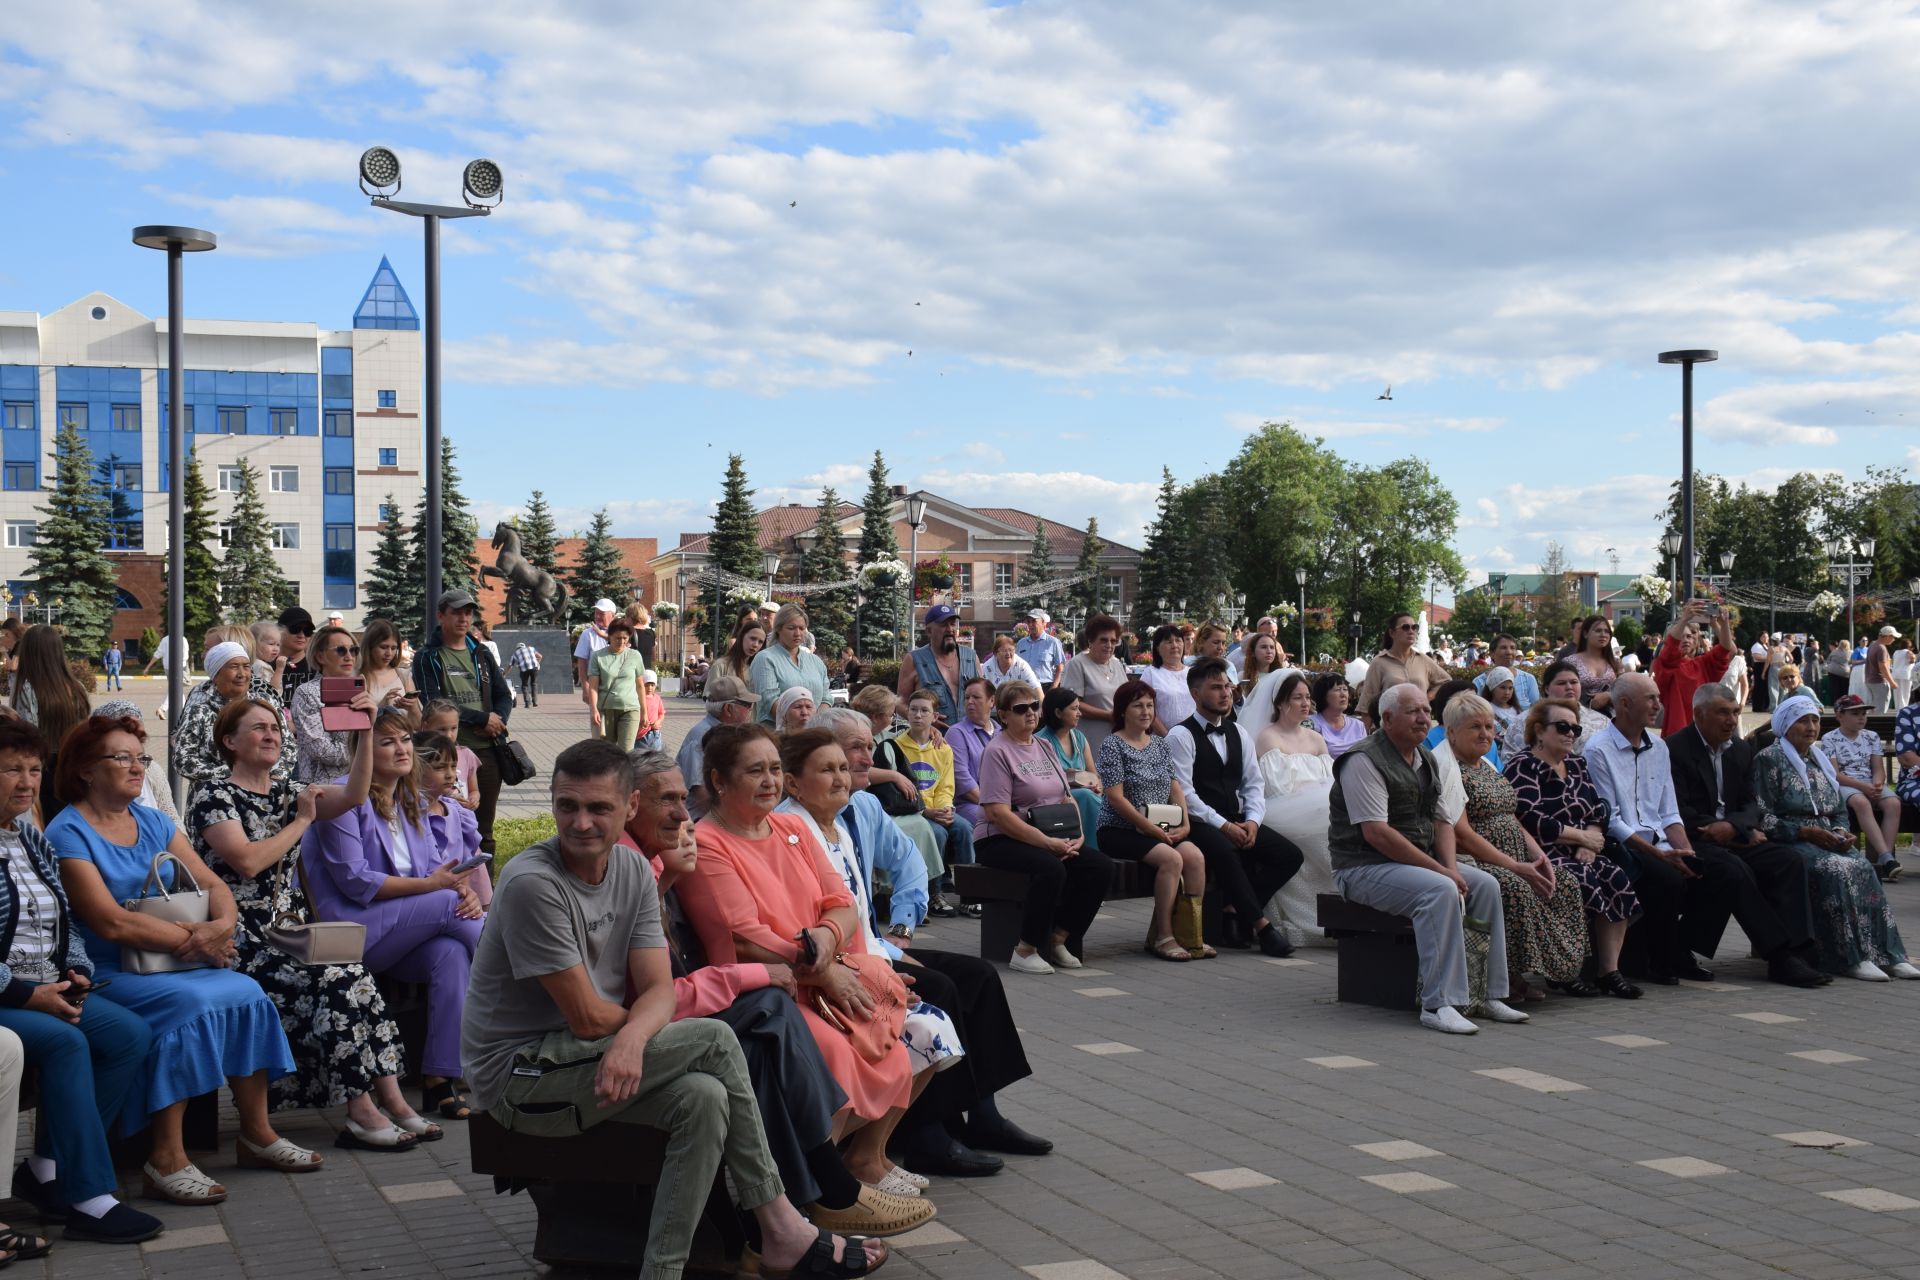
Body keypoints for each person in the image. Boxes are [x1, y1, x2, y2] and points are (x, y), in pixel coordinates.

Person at [462, 739, 894, 1280]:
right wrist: (631, 1035)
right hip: (521, 1074)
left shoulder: (633, 869)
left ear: (627, 809)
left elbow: (659, 991)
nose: (580, 822)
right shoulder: (533, 884)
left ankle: (664, 1270)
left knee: (705, 1097)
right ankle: (782, 1225)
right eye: (566, 806)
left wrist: (632, 1037)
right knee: (717, 1040)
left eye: (599, 808)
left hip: (587, 1058)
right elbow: (589, 1018)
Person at [625, 754, 932, 1237]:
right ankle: (815, 1199)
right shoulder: (671, 855)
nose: (682, 815)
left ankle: (807, 1202)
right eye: (755, 770)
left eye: (683, 800)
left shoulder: (782, 830)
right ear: (720, 783)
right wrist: (798, 972)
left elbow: (843, 905)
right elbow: (735, 945)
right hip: (671, 1022)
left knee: (930, 1006)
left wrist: (827, 954)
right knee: (777, 1031)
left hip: (790, 978)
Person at [49, 714, 306, 1206]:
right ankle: (165, 1157)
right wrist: (195, 940)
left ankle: (257, 1134)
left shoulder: (151, 819)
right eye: (120, 757)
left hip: (174, 957)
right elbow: (109, 923)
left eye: (140, 758)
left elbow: (211, 884)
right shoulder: (69, 832)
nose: (136, 767)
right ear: (85, 768)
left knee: (246, 991)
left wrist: (223, 925)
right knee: (188, 1006)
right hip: (113, 970)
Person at [186, 694, 440, 1147]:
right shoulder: (212, 794)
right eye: (258, 728)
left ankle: (394, 1101)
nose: (271, 735)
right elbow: (247, 862)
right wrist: (302, 821)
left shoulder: (287, 788)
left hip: (291, 933)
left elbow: (355, 795)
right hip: (239, 937)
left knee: (355, 971)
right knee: (337, 977)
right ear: (229, 741)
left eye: (276, 728)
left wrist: (363, 733)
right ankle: (360, 1111)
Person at [808, 710, 1052, 1172]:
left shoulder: (863, 807)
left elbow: (910, 865)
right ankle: (926, 1133)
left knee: (979, 975)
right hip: (844, 957)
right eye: (855, 748)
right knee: (938, 986)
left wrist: (901, 924)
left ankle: (983, 1114)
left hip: (877, 944)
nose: (869, 756)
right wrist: (875, 955)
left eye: (868, 744)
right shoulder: (796, 822)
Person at [0, 719, 163, 1245]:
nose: (26, 782)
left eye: (33, 769)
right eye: (10, 770)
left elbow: (63, 917)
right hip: (10, 995)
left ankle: (46, 1168)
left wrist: (77, 972)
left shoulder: (26, 833)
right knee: (67, 1041)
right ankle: (90, 1198)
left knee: (127, 1036)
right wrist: (29, 995)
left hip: (47, 985)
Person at [307, 704, 485, 1121]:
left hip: (404, 931)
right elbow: (356, 881)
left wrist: (464, 892)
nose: (402, 749)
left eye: (406, 738)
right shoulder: (341, 797)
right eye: (387, 742)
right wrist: (438, 890)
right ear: (364, 750)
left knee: (451, 955)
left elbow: (434, 869)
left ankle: (439, 1076)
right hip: (350, 931)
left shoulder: (413, 801)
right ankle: (519, 995)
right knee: (449, 907)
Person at [1328, 683, 1528, 1034]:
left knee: (1486, 885)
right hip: (1363, 867)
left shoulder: (1426, 757)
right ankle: (1439, 1004)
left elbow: (1442, 820)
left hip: (1412, 865)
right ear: (1387, 719)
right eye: (1413, 711)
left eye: (1425, 710)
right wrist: (1441, 872)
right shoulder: (1363, 760)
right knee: (1440, 890)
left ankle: (1487, 994)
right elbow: (1376, 833)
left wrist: (1450, 867)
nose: (1424, 718)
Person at [1584, 673, 1744, 985]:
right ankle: (1658, 959)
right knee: (1667, 878)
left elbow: (1669, 812)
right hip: (1624, 845)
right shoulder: (1598, 750)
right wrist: (1660, 855)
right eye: (1651, 699)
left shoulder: (1658, 747)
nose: (1659, 704)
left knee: (1724, 872)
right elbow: (1611, 820)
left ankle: (1679, 948)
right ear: (1626, 704)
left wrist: (1688, 853)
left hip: (1660, 841)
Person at [1669, 683, 1831, 987]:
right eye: (1722, 713)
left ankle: (1800, 949)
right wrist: (1730, 832)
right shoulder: (1675, 749)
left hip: (1736, 833)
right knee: (1732, 871)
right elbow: (1678, 809)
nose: (1731, 720)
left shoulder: (1741, 749)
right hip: (1693, 838)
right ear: (1699, 715)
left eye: (1735, 712)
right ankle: (1780, 956)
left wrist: (1735, 829)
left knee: (1786, 860)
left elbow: (1751, 803)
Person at [1436, 693, 1590, 1002]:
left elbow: (1513, 818)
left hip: (1515, 853)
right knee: (1514, 887)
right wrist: (1514, 865)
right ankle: (1508, 977)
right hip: (1477, 859)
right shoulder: (1449, 770)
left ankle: (1562, 970)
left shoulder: (1487, 766)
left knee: (1565, 882)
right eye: (1474, 727)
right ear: (1451, 732)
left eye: (1490, 726)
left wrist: (1538, 856)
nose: (1485, 734)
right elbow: (1462, 834)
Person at [1755, 697, 1920, 981]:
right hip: (1793, 839)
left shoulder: (1818, 760)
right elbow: (1763, 816)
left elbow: (1838, 809)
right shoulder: (1769, 759)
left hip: (1827, 838)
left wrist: (1842, 831)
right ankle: (1849, 957)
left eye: (1815, 720)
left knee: (1864, 868)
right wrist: (1805, 832)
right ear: (1786, 725)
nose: (1811, 727)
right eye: (1803, 721)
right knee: (1837, 871)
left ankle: (1889, 954)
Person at [1503, 699, 1645, 997]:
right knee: (1582, 882)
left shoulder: (1577, 764)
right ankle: (1564, 970)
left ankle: (1609, 971)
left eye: (1576, 728)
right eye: (1563, 727)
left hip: (1582, 847)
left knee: (1617, 880)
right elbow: (1531, 819)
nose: (1571, 734)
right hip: (1544, 851)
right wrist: (1581, 838)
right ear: (1539, 730)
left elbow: (1598, 808)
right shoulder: (1523, 765)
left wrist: (1592, 839)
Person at [971, 681, 1115, 974]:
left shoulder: (1044, 745)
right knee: (1051, 868)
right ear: (1003, 715)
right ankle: (1025, 949)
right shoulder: (997, 751)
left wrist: (1078, 835)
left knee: (1099, 866)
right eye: (1020, 709)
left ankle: (1059, 938)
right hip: (999, 838)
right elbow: (998, 813)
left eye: (1034, 706)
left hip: (1051, 834)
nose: (1030, 713)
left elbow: (1066, 795)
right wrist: (1045, 843)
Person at [1165, 660, 1304, 956]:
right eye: (1216, 687)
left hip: (1236, 817)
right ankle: (1263, 928)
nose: (1225, 693)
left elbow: (1254, 783)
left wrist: (1252, 821)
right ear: (1195, 693)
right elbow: (1185, 794)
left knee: (1289, 855)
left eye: (1228, 686)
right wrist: (1223, 826)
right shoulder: (1180, 736)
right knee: (1227, 851)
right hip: (1196, 822)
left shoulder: (1238, 733)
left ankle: (1234, 910)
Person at [1096, 680, 1210, 961]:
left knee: (1194, 857)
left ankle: (1191, 935)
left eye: (1149, 705)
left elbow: (1175, 786)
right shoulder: (1113, 745)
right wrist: (1147, 828)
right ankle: (1163, 936)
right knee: (1171, 860)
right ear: (1123, 711)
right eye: (1138, 705)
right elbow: (1116, 797)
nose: (1146, 711)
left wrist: (1185, 822)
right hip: (1120, 829)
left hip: (1160, 825)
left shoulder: (1160, 743)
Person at [412, 589, 515, 855]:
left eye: (468, 613)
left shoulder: (481, 653)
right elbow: (433, 700)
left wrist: (497, 720)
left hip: (487, 750)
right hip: (445, 755)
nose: (463, 618)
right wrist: (482, 718)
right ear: (441, 615)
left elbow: (503, 694)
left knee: (484, 829)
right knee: (445, 823)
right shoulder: (428, 656)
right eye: (456, 612)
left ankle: (486, 894)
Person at [1255, 673, 1337, 948]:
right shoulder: (1268, 738)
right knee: (1324, 832)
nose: (1305, 703)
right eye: (1297, 698)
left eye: (1307, 697)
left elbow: (1331, 783)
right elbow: (1274, 789)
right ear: (1281, 703)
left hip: (1319, 809)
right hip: (1282, 812)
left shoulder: (1315, 739)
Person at [174, 640, 297, 796]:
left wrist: (276, 777)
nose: (242, 674)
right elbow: (183, 760)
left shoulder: (266, 704)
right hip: (214, 799)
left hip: (265, 794)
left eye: (246, 667)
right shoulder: (200, 710)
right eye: (234, 667)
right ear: (215, 675)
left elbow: (288, 746)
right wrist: (234, 774)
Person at [890, 689, 975, 909]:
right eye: (913, 710)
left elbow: (946, 786)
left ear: (935, 717)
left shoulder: (943, 749)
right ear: (906, 713)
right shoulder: (896, 747)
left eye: (924, 711)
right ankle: (934, 893)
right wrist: (926, 812)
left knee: (964, 829)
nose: (918, 715)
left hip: (938, 809)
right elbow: (898, 793)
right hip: (914, 811)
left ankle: (970, 895)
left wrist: (946, 808)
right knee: (935, 832)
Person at [12, 625, 92, 817]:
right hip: (75, 767)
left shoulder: (27, 688)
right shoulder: (77, 687)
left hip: (44, 770)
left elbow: (27, 735)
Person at [1822, 694, 1904, 879]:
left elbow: (1878, 768)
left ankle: (1887, 858)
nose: (1861, 717)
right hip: (1846, 784)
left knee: (1893, 804)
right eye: (1855, 713)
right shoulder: (1830, 739)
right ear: (1839, 715)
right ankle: (1886, 858)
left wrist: (1877, 784)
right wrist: (1863, 787)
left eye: (1864, 713)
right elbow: (1836, 775)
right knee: (1861, 803)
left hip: (1869, 782)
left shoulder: (1871, 736)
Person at [680, 673, 759, 821]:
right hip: (702, 821)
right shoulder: (701, 737)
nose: (750, 710)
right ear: (728, 709)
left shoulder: (728, 733)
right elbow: (700, 795)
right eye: (747, 705)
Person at [1353, 613, 1451, 726]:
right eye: (1405, 627)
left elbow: (1446, 681)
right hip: (1392, 726)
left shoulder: (1423, 659)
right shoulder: (1379, 662)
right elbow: (1367, 702)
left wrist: (1427, 697)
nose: (1411, 631)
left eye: (1414, 627)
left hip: (1420, 724)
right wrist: (1364, 736)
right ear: (1392, 633)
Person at [1036, 687, 1102, 850]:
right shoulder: (1042, 741)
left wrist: (1096, 785)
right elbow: (1043, 781)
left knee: (1094, 795)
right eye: (1074, 709)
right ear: (1058, 712)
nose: (1079, 713)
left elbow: (1093, 773)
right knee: (1087, 796)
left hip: (1083, 793)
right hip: (1057, 798)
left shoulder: (1079, 737)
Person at [1501, 661, 1609, 760]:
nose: (1569, 687)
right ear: (1547, 689)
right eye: (1561, 683)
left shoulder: (1602, 722)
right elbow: (1509, 759)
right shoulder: (1523, 721)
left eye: (1574, 682)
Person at [897, 605, 977, 729]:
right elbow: (900, 703)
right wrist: (923, 719)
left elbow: (984, 696)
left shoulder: (971, 657)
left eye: (952, 624)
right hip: (932, 741)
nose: (950, 629)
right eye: (943, 625)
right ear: (929, 631)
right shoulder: (914, 659)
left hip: (968, 737)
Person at [1059, 614, 1128, 756]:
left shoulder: (1116, 664)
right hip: (1091, 737)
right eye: (1104, 640)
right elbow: (1072, 703)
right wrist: (1108, 715)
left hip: (1120, 735)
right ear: (1091, 640)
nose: (1109, 645)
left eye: (1113, 641)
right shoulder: (1077, 664)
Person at [753, 605, 832, 728]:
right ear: (778, 628)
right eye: (791, 628)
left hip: (813, 735)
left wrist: (813, 724)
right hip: (777, 736)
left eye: (802, 628)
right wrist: (798, 725)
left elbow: (826, 698)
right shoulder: (765, 659)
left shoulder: (816, 662)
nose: (797, 633)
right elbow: (770, 700)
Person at [945, 677, 998, 831]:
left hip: (1004, 802)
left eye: (976, 697)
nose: (969, 702)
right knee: (1002, 823)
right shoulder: (957, 733)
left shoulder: (1001, 732)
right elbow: (962, 780)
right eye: (967, 697)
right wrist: (996, 807)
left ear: (992, 701)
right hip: (971, 804)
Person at [588, 619, 648, 750]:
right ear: (609, 636)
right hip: (605, 710)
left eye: (625, 638)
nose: (621, 642)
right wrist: (593, 710)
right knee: (605, 752)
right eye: (617, 638)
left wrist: (644, 712)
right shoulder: (598, 656)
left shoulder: (635, 655)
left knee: (626, 752)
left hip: (630, 709)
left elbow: (640, 686)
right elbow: (593, 687)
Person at [1136, 626, 1194, 735]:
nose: (1175, 645)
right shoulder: (1151, 673)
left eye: (1178, 640)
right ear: (1157, 647)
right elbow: (1146, 709)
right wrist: (1167, 736)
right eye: (1169, 642)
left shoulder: (1193, 673)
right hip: (1162, 739)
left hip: (1194, 738)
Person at [1566, 616, 1624, 713]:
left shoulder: (1615, 662)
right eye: (1598, 631)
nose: (1603, 635)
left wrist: (1609, 696)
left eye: (1607, 631)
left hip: (1611, 719)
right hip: (1579, 716)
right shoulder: (1570, 662)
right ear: (1585, 633)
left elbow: (1623, 690)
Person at [1307, 672, 1367, 760]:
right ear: (1323, 695)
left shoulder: (1358, 725)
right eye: (1337, 689)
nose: (1343, 695)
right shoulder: (1311, 724)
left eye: (1345, 689)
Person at [358, 618, 417, 707]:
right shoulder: (357, 676)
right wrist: (382, 706)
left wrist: (413, 708)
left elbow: (419, 719)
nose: (389, 653)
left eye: (393, 648)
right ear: (369, 646)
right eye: (383, 647)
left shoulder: (404, 675)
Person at [573, 597, 616, 713]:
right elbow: (582, 662)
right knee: (598, 723)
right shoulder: (588, 634)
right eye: (596, 613)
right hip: (597, 687)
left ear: (613, 615)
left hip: (618, 688)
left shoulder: (620, 634)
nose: (597, 616)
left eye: (601, 613)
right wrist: (585, 687)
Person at [276, 607, 318, 708]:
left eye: (307, 631)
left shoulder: (318, 667)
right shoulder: (265, 666)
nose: (302, 635)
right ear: (279, 631)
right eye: (295, 629)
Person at [1015, 611, 1065, 688]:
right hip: (1024, 687)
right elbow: (1015, 666)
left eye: (1034, 621)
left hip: (1045, 686)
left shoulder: (1053, 642)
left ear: (1043, 623)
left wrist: (1054, 687)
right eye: (1028, 622)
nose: (1030, 625)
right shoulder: (1021, 643)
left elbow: (1060, 667)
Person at [1235, 633, 1284, 701]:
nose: (1269, 651)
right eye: (1263, 647)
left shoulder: (1281, 676)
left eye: (1272, 647)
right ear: (1253, 652)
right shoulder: (1242, 676)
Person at [724, 618, 768, 689]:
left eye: (760, 642)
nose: (755, 645)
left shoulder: (760, 668)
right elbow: (709, 696)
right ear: (742, 636)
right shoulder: (721, 665)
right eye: (753, 638)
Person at [1864, 625, 1898, 712]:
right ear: (1887, 636)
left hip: (1870, 680)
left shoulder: (1872, 644)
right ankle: (1878, 726)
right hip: (1879, 682)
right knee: (1880, 710)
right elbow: (1883, 667)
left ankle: (1872, 725)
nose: (1894, 639)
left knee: (1873, 709)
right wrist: (1892, 682)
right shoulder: (1881, 648)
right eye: (1893, 637)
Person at [624, 603, 658, 673]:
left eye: (626, 616)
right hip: (647, 670)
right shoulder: (651, 633)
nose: (625, 619)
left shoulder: (628, 632)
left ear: (630, 617)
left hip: (632, 671)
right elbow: (653, 656)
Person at [509, 637, 542, 708]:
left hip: (524, 669)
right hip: (534, 668)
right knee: (534, 684)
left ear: (517, 648)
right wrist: (537, 663)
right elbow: (540, 656)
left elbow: (510, 665)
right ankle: (535, 702)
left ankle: (527, 703)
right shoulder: (531, 648)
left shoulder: (515, 653)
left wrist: (504, 673)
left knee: (525, 685)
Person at [638, 670, 666, 752]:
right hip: (640, 735)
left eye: (652, 685)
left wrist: (658, 722)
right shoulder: (638, 698)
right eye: (647, 685)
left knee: (655, 758)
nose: (650, 688)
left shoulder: (657, 698)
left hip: (654, 734)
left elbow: (661, 713)